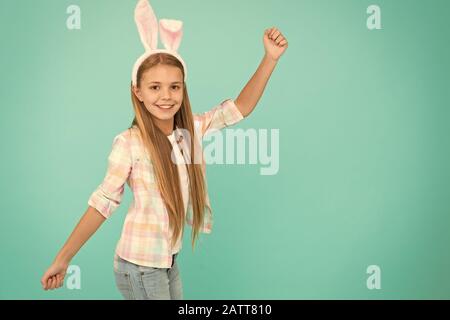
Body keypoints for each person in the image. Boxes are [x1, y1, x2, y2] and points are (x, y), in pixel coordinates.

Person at [40, 0, 288, 299]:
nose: (166, 96)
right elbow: (102, 203)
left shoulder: (190, 131)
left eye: (175, 86)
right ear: (138, 92)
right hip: (139, 265)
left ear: (183, 89)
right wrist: (64, 258)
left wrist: (270, 59)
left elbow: (239, 108)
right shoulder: (129, 143)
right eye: (155, 87)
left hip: (168, 261)